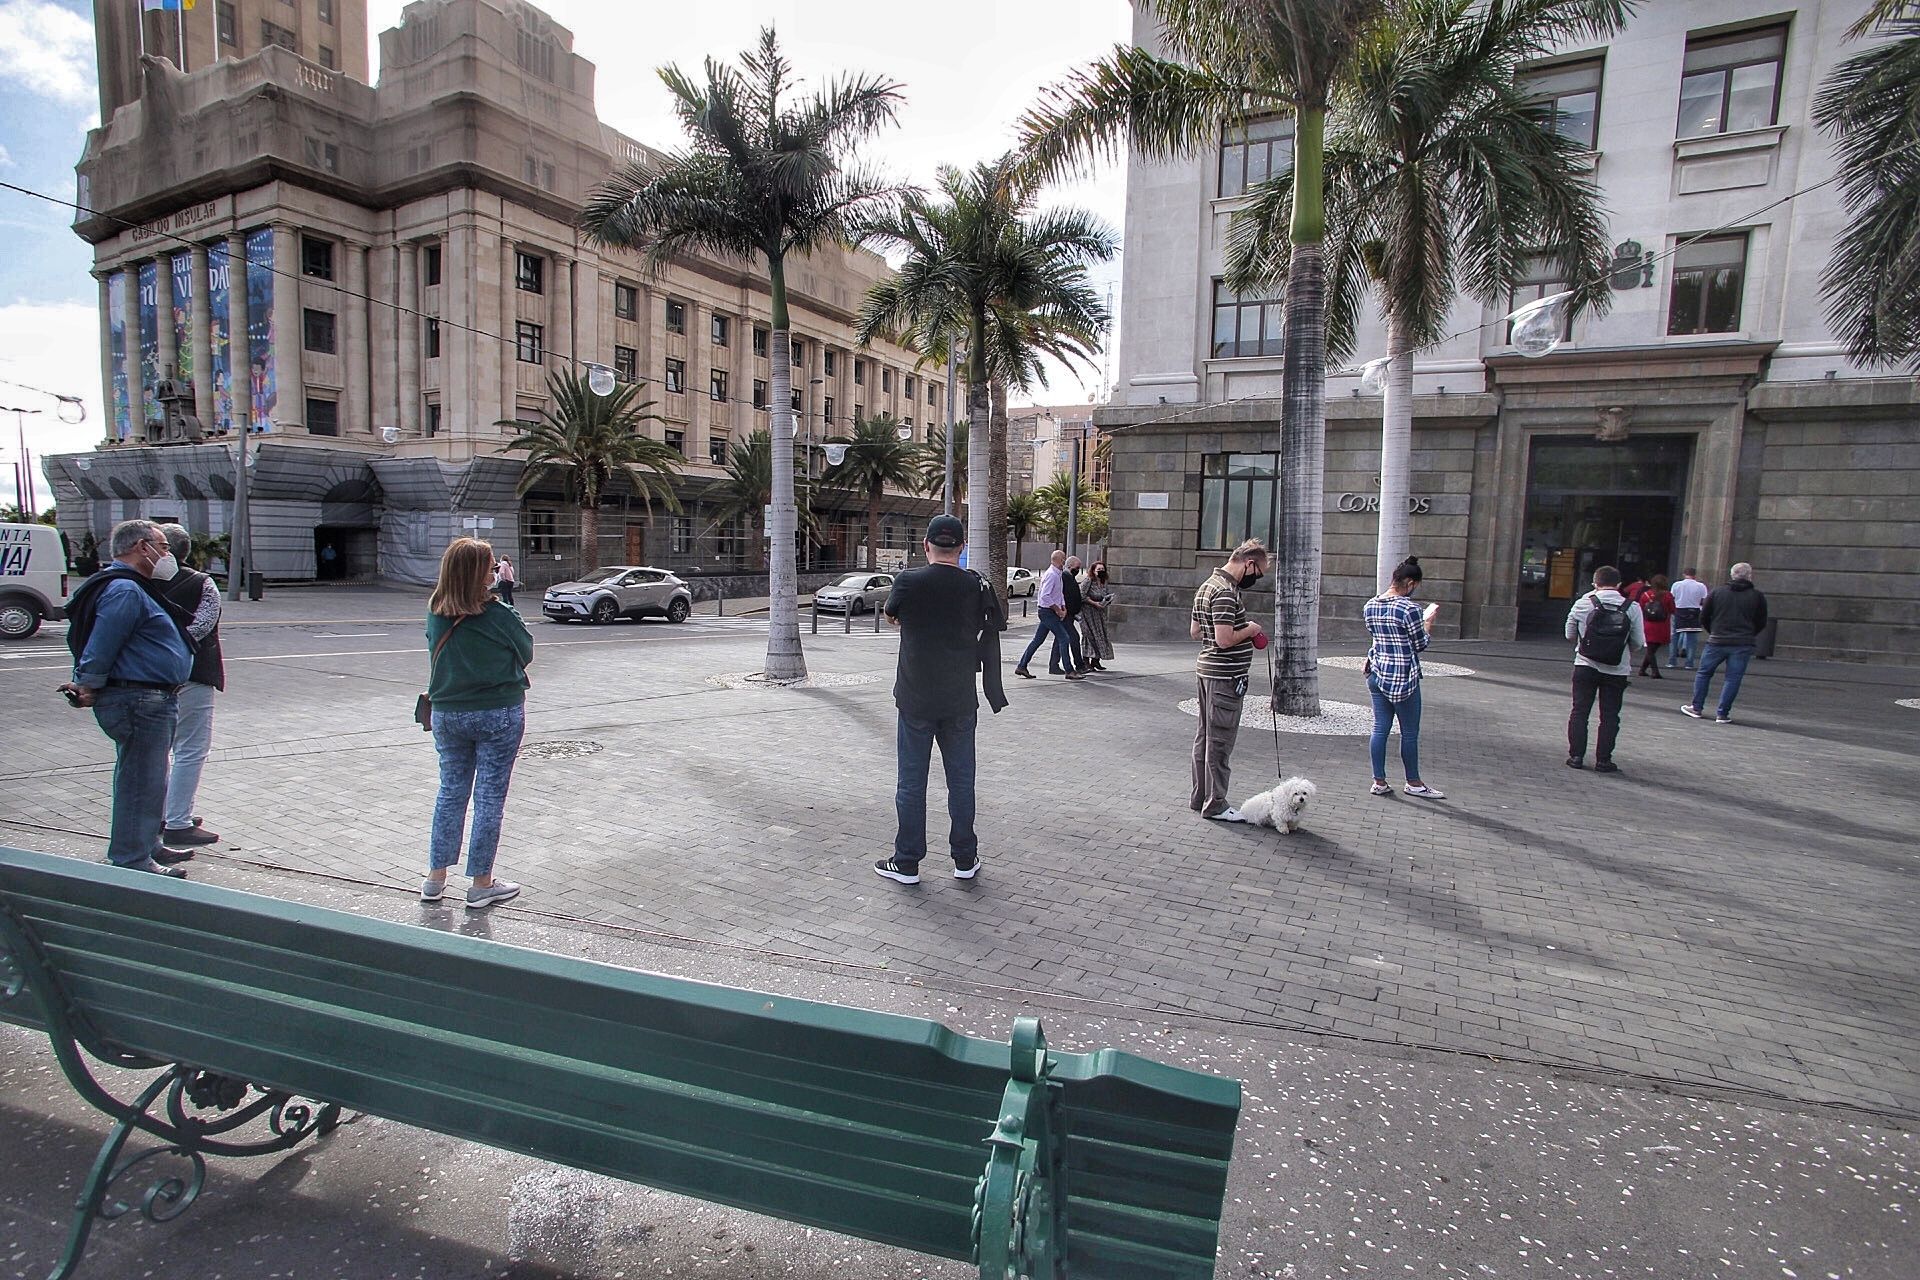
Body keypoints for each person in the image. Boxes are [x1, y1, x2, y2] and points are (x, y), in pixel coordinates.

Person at [873, 515, 1008, 885]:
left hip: (915, 699)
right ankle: (965, 858)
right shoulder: (976, 584)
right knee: (962, 781)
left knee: (911, 782)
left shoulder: (908, 581)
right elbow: (991, 625)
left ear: (926, 546)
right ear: (961, 547)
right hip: (960, 700)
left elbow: (891, 616)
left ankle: (907, 862)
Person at [57, 519, 195, 876]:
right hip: (138, 699)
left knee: (149, 778)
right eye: (163, 547)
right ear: (141, 547)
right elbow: (103, 641)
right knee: (141, 780)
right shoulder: (125, 589)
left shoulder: (133, 587)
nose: (168, 555)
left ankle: (146, 845)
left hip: (148, 698)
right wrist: (87, 684)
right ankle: (131, 859)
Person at [421, 538, 534, 909]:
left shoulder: (436, 611)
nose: (492, 573)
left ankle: (435, 878)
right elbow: (527, 651)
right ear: (477, 572)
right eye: (488, 567)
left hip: (448, 713)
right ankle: (481, 883)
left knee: (450, 792)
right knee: (489, 797)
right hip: (497, 711)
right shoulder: (497, 613)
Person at [155, 523, 225, 846]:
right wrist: (176, 649)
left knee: (157, 749)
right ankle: (177, 820)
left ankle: (162, 812)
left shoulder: (137, 582)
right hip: (192, 672)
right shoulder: (201, 583)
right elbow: (203, 624)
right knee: (191, 749)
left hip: (149, 674)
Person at [1189, 539, 1269, 822]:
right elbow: (1224, 640)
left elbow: (1196, 631)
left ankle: (1201, 797)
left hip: (1207, 672)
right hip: (1223, 676)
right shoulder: (1225, 592)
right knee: (1220, 741)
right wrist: (1250, 629)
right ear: (1249, 564)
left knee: (1205, 736)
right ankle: (1216, 804)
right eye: (1258, 572)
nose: (1257, 578)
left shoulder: (1207, 585)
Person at [1363, 556, 1444, 799]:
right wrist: (1428, 622)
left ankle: (1379, 781)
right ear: (1409, 582)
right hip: (1403, 677)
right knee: (1409, 732)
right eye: (1414, 586)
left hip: (1377, 673)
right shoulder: (1410, 609)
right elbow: (1420, 643)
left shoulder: (1371, 605)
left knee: (1380, 728)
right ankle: (1414, 782)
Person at [1565, 565, 1646, 773]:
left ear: (1595, 583)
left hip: (1585, 664)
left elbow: (1569, 634)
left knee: (1580, 711)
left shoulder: (1583, 603)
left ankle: (1576, 756)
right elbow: (1637, 642)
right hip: (1617, 669)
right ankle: (1603, 760)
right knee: (1610, 715)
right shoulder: (1632, 607)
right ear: (1619, 585)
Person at [1683, 563, 1768, 724]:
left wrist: (1713, 631)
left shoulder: (1717, 592)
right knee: (1733, 678)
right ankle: (1722, 713)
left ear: (1732, 574)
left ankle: (1696, 707)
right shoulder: (1757, 596)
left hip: (1717, 640)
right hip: (1743, 642)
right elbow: (1761, 621)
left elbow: (1704, 616)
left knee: (1704, 673)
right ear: (1750, 576)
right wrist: (1749, 634)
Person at [1013, 550, 1085, 681]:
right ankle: (1069, 670)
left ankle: (1022, 666)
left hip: (1050, 611)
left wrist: (1063, 607)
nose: (1064, 561)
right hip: (1047, 612)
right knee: (1064, 638)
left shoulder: (1058, 575)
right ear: (1057, 560)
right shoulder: (1052, 575)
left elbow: (1059, 594)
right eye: (1063, 559)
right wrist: (1058, 609)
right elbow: (1045, 596)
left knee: (1038, 640)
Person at [1050, 555, 1090, 674]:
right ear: (1070, 566)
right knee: (1073, 638)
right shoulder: (1065, 577)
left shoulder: (1068, 577)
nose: (1078, 569)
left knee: (1060, 639)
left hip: (1069, 614)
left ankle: (1054, 666)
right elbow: (1064, 595)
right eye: (1077, 567)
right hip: (1066, 614)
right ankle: (1078, 665)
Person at [1634, 573, 1674, 678]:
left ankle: (1643, 670)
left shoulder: (1646, 595)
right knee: (1653, 649)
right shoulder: (1668, 595)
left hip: (1648, 624)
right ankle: (1654, 671)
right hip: (1662, 625)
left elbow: (1641, 608)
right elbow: (1672, 610)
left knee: (1651, 649)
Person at [1668, 567, 1709, 669]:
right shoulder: (1701, 586)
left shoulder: (1676, 585)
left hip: (1678, 610)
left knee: (1674, 637)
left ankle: (1672, 661)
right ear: (1695, 575)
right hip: (1694, 611)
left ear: (1684, 574)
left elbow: (1672, 598)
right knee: (1692, 639)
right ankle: (1689, 663)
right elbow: (1704, 601)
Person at [1078, 562, 1114, 672]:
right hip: (1088, 613)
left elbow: (1105, 594)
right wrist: (1094, 603)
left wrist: (1107, 601)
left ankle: (1096, 660)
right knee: (1089, 636)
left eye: (1103, 569)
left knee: (1100, 635)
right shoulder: (1089, 581)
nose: (1101, 571)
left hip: (1100, 613)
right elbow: (1082, 595)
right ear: (1093, 570)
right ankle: (1086, 660)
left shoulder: (1103, 582)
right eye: (1099, 569)